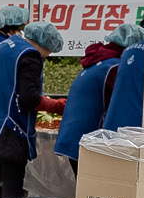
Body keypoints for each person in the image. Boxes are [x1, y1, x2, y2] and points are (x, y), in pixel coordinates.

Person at [0, 13, 50, 198]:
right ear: (45, 44)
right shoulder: (30, 55)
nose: (46, 57)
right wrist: (55, 105)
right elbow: (28, 98)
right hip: (7, 130)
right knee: (11, 184)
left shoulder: (4, 45)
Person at [52, 22, 138, 160]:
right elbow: (120, 105)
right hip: (90, 140)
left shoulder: (95, 63)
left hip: (73, 137)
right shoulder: (114, 68)